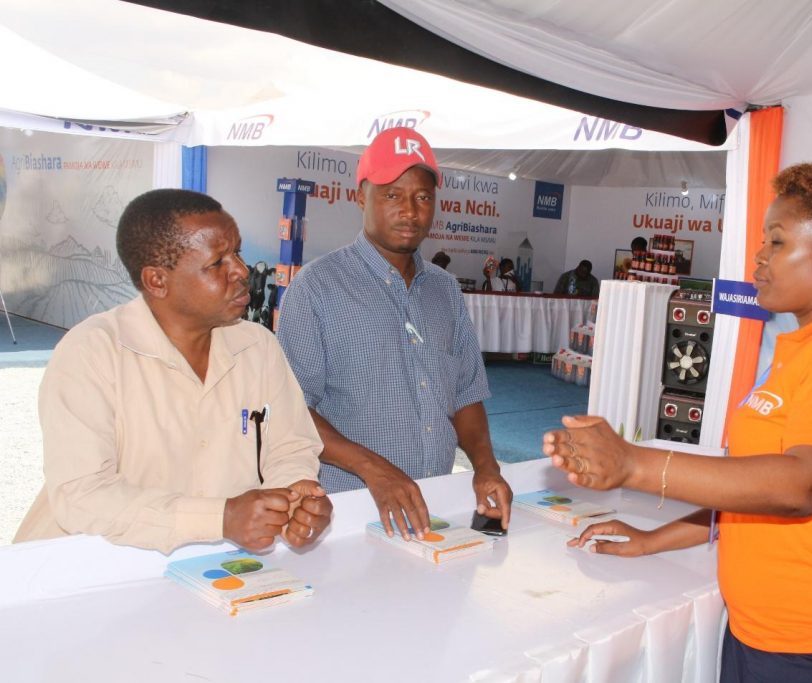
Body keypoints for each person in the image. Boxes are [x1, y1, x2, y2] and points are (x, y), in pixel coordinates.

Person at [543, 160, 812, 682]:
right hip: (765, 634)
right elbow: (753, 491)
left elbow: (801, 486)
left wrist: (633, 464)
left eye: (777, 242)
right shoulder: (811, 345)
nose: (759, 257)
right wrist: (655, 538)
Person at [14, 189, 332, 554]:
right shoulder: (91, 352)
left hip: (215, 564)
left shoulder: (257, 346)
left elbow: (291, 446)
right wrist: (219, 518)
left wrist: (295, 494)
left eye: (238, 253)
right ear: (157, 281)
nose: (241, 271)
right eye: (217, 263)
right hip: (89, 566)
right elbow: (82, 496)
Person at [276, 126, 512, 541]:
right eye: (392, 195)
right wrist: (375, 470)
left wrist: (486, 467)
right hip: (348, 512)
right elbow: (291, 411)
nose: (410, 211)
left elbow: (466, 394)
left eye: (422, 197)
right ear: (360, 197)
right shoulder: (317, 288)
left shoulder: (445, 290)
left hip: (434, 502)